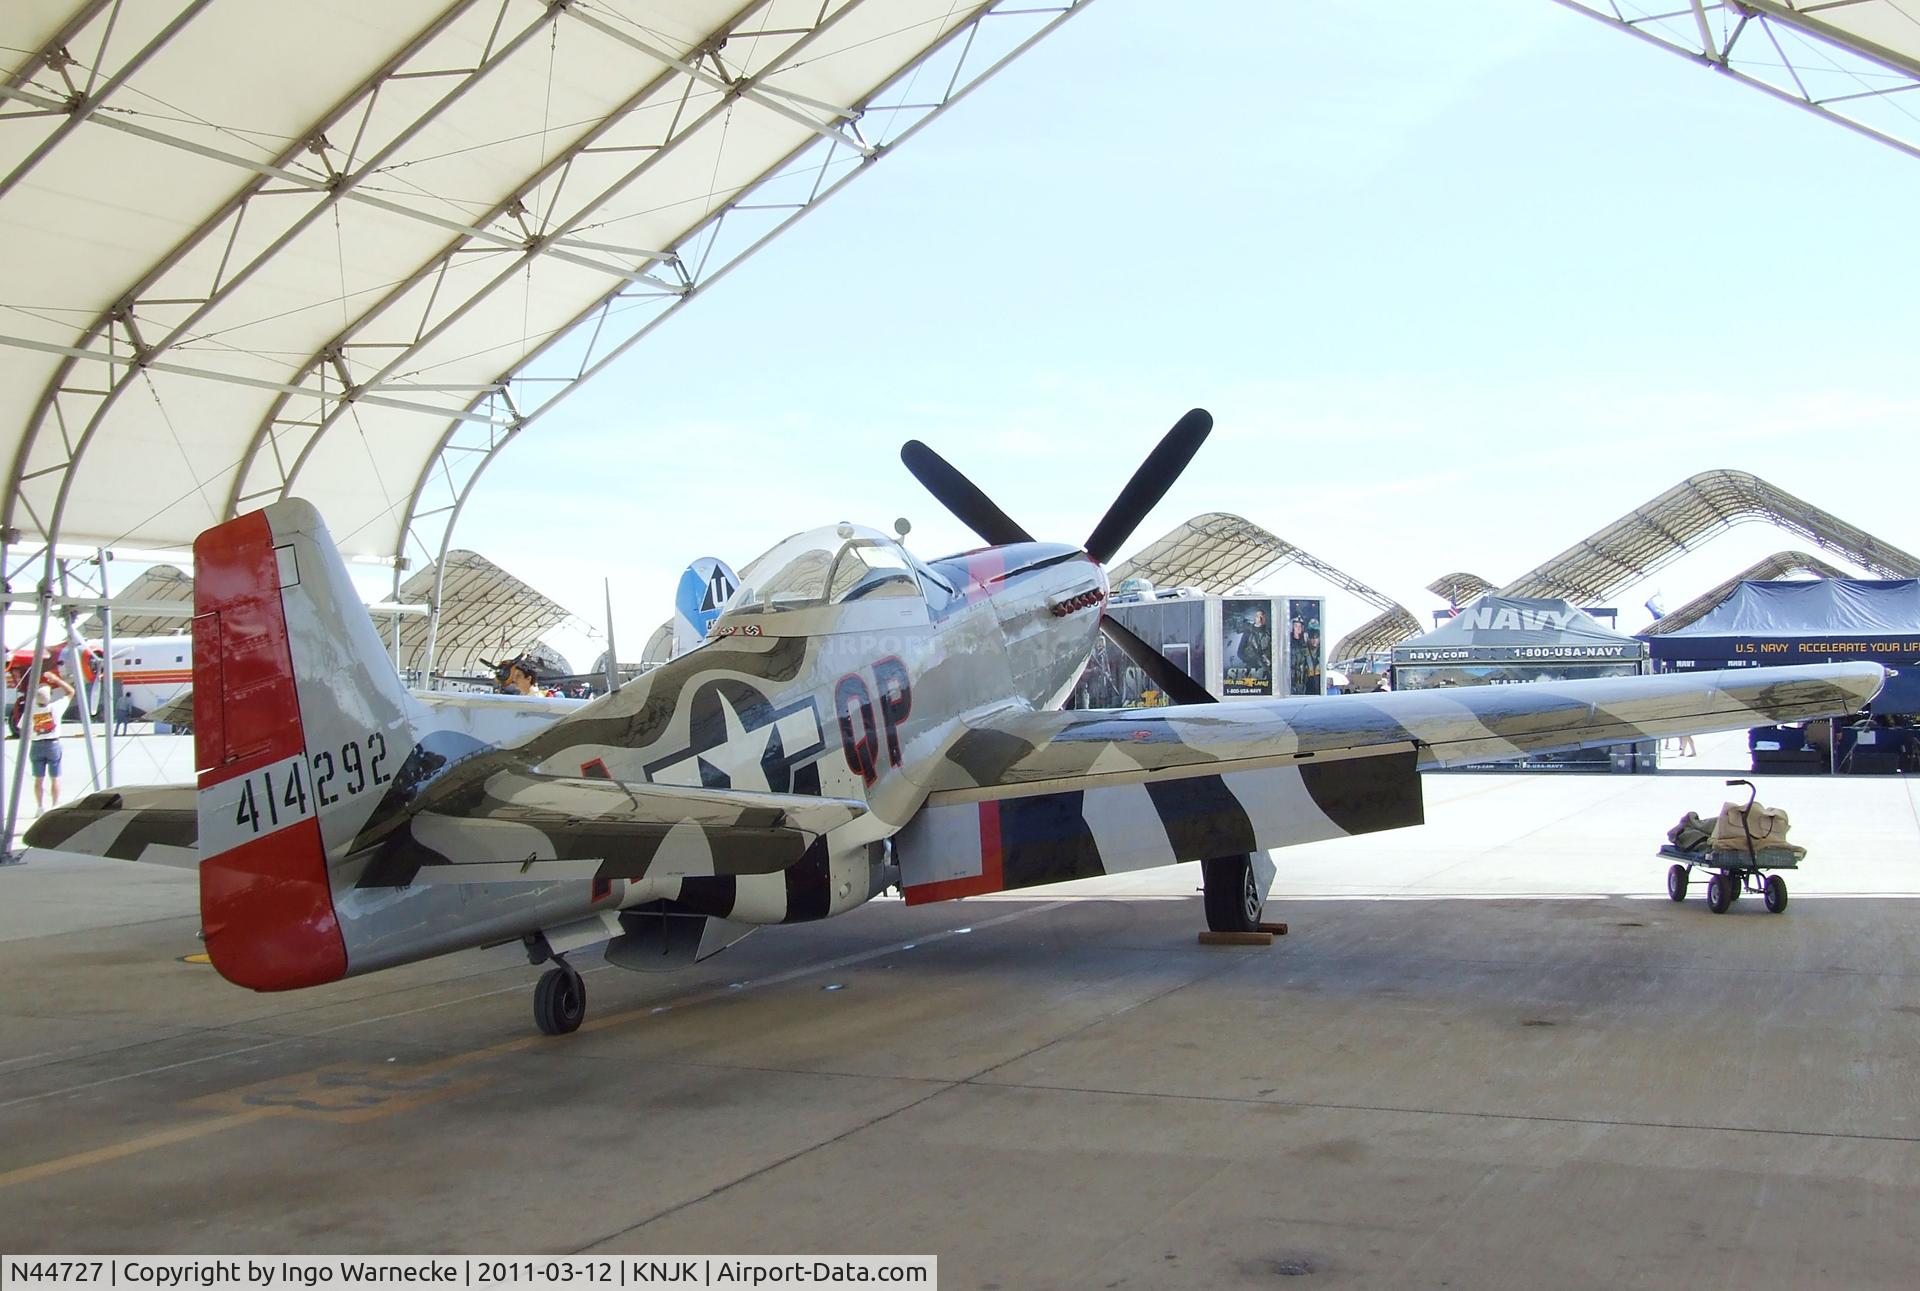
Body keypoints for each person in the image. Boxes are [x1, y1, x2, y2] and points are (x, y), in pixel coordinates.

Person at [27, 665, 76, 811]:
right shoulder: (56, 707)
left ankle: (39, 806)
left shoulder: (31, 710)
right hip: (52, 744)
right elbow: (71, 691)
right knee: (55, 777)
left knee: (38, 779)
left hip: (36, 744)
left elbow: (20, 726)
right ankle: (54, 805)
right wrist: (56, 679)